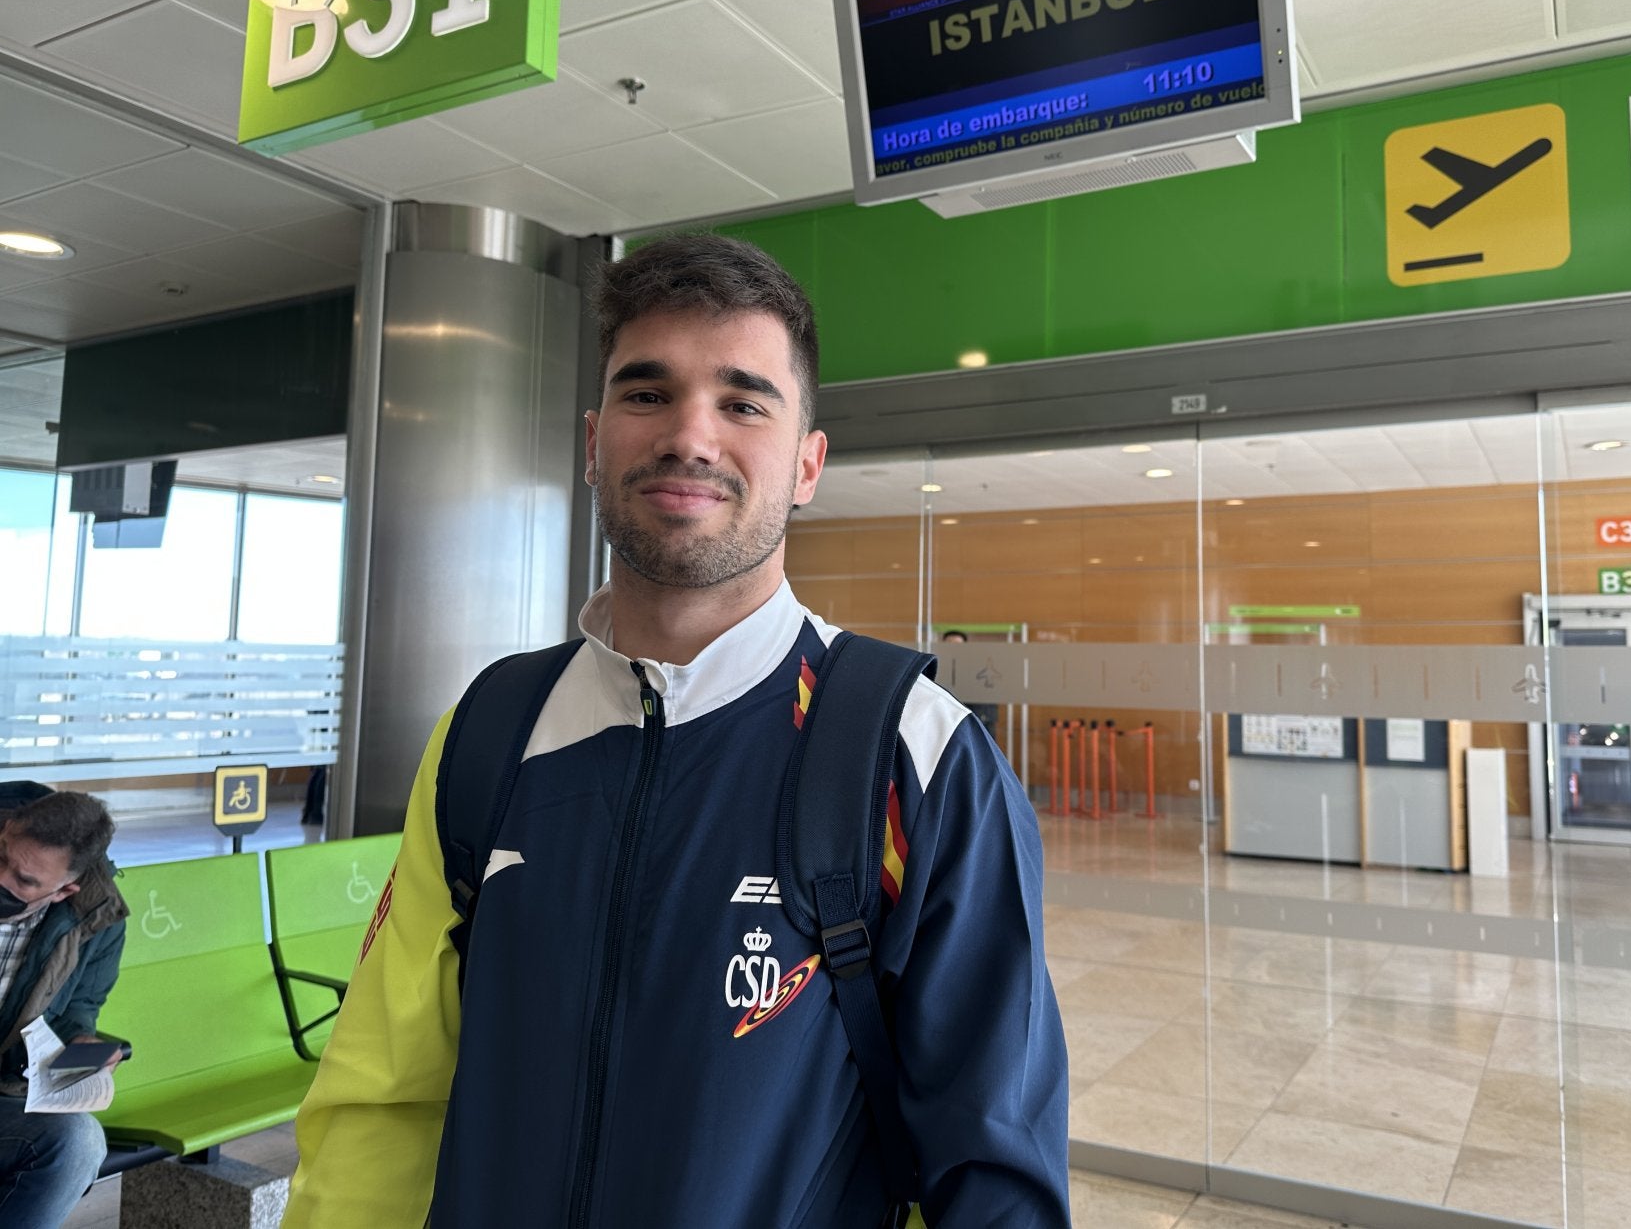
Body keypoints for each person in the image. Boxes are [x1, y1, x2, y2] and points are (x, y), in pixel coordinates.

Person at [284, 234, 1069, 1228]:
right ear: (591, 440)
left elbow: (993, 1171)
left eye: (743, 402)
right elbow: (381, 1103)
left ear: (808, 465)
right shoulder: (493, 729)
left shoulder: (915, 752)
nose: (690, 437)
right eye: (647, 393)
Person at [0, 784, 126, 1229]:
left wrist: (83, 1046)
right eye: (2, 859)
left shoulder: (96, 919)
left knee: (78, 1142)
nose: (3, 881)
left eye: (26, 881)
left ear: (64, 889)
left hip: (4, 1092)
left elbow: (78, 1009)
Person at [940, 630, 1002, 738]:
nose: (954, 650)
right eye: (949, 646)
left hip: (977, 721)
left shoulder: (976, 666)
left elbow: (987, 694)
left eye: (958, 646)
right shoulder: (938, 668)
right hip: (947, 722)